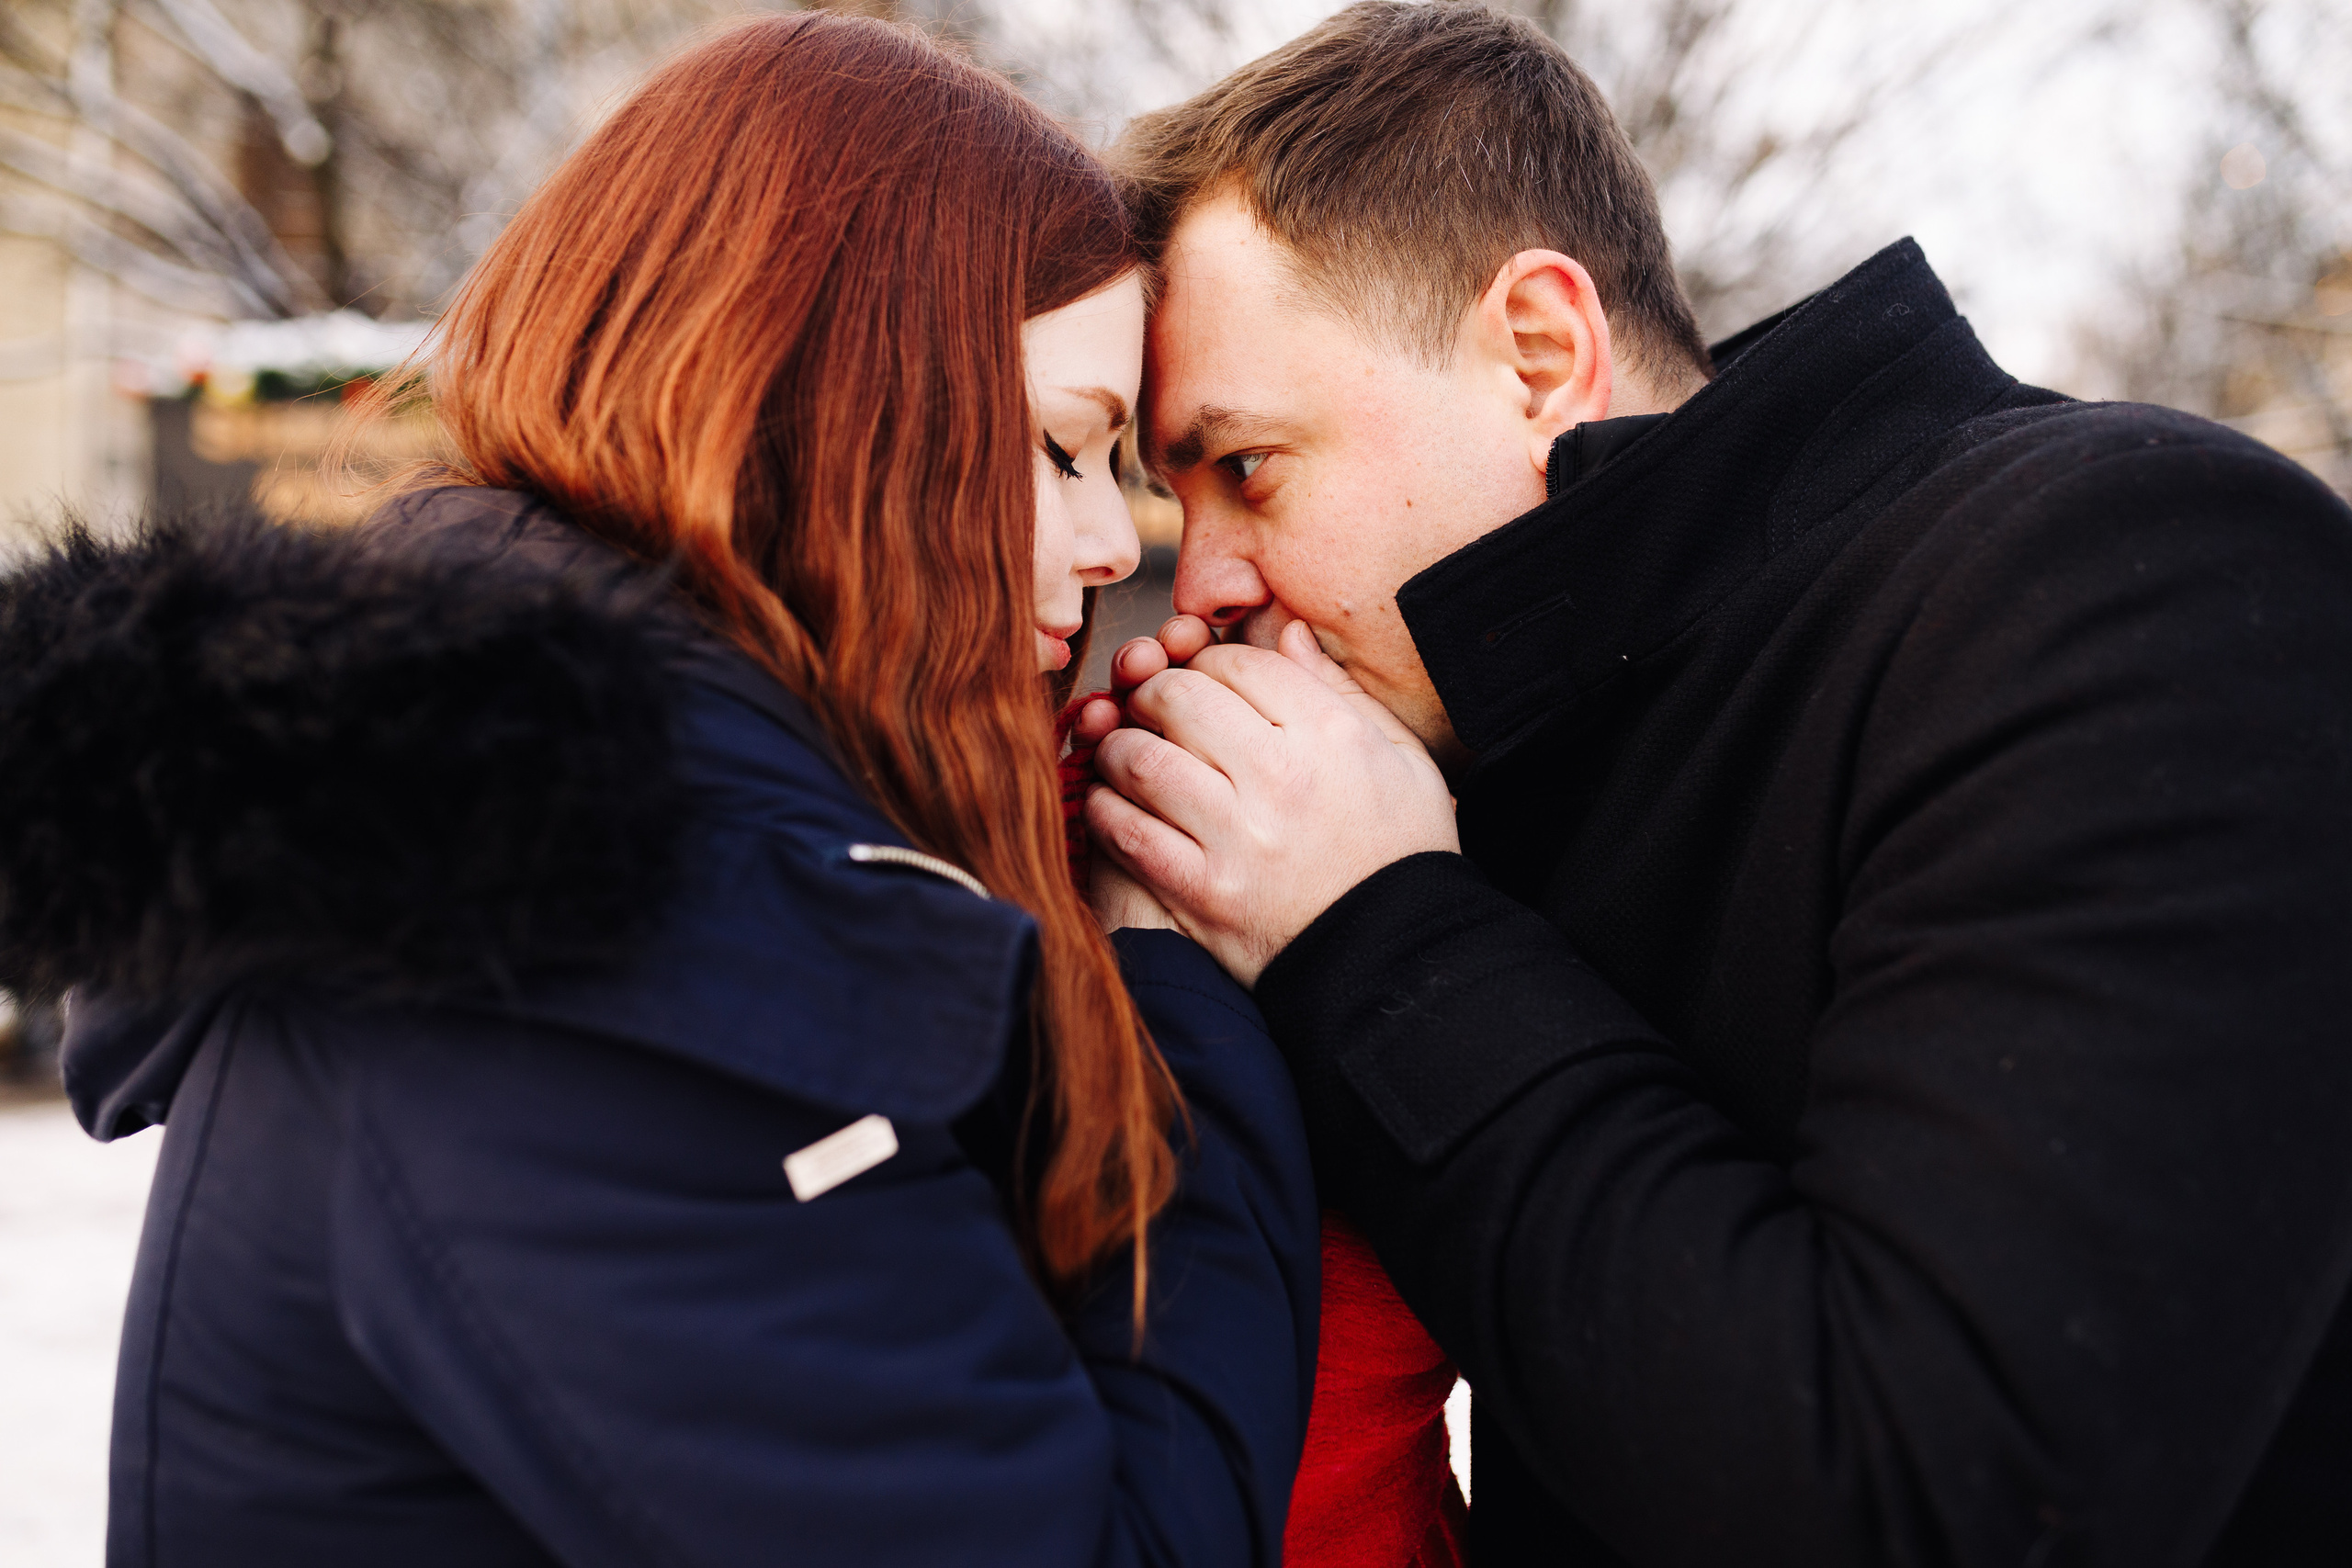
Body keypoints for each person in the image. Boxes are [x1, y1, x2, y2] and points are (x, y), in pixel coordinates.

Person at [0, 14, 1319, 1565]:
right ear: (826, 403)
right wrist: (1180, 975)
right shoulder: (567, 938)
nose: (1112, 546)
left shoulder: (569, 842)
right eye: (1064, 446)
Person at [1083, 3, 2352, 1564]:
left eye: (1249, 467)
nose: (1193, 581)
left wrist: (1374, 929)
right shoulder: (1502, 758)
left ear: (1541, 352)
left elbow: (1935, 1500)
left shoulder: (2126, 580)